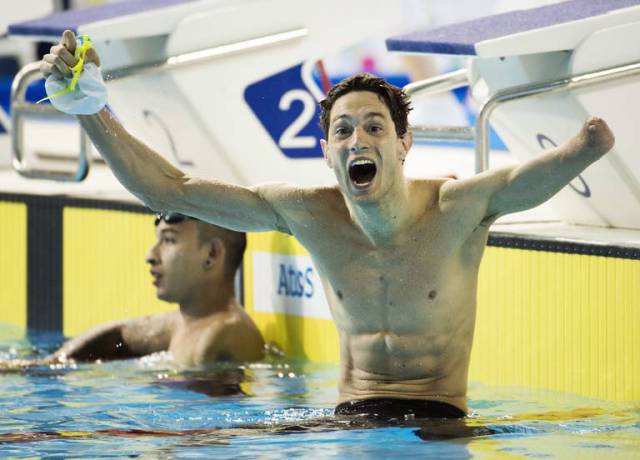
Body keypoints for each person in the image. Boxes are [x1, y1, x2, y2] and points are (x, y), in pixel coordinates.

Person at [39, 31, 614, 419]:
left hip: (442, 422)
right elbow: (168, 190)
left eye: (373, 128)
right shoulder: (307, 212)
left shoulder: (457, 208)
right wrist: (90, 107)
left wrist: (588, 145)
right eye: (342, 131)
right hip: (349, 419)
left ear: (403, 142)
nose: (357, 140)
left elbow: (533, 178)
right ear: (327, 151)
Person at [1, 213, 265, 368]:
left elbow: (206, 433)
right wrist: (47, 364)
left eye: (169, 240)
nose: (151, 255)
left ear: (211, 254)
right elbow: (121, 334)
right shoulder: (185, 323)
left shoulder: (223, 335)